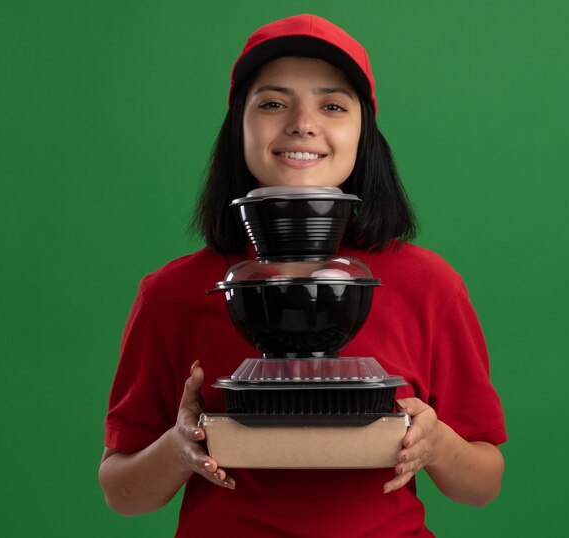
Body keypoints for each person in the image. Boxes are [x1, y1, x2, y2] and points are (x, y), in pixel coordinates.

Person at [99, 14, 507, 537]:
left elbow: (483, 484)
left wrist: (437, 445)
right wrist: (179, 449)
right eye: (272, 103)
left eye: (332, 105)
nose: (302, 122)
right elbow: (121, 492)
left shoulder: (431, 285)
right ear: (237, 127)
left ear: (365, 132)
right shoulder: (169, 294)